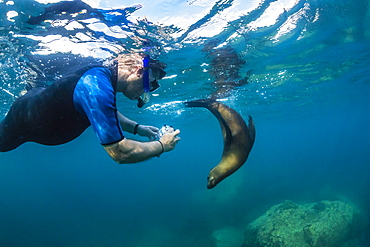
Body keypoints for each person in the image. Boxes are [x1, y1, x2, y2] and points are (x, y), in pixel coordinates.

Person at [0, 53, 181, 163]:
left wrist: (137, 128)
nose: (147, 90)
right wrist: (162, 145)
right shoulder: (96, 86)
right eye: (150, 84)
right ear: (137, 70)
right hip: (22, 120)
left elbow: (104, 112)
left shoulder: (103, 83)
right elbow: (120, 153)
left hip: (36, 102)